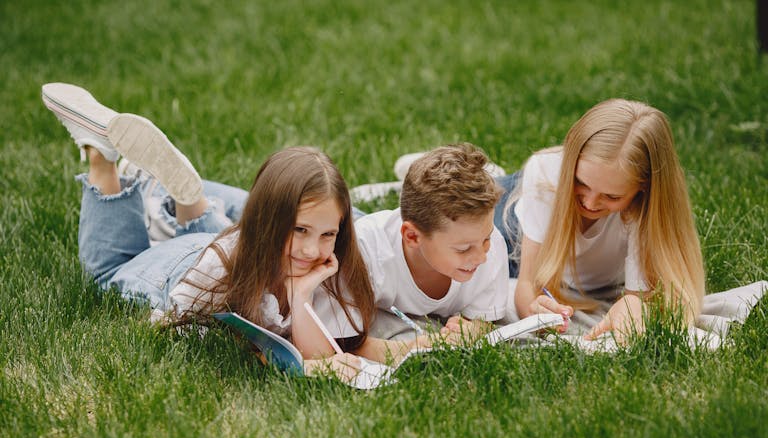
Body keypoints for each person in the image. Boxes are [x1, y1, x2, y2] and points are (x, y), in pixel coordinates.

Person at [42, 82, 422, 381]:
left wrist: (301, 294)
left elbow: (316, 355)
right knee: (110, 271)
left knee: (238, 250)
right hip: (179, 270)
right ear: (270, 220)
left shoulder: (335, 266)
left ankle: (195, 207)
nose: (312, 249)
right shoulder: (218, 271)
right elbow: (176, 325)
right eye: (300, 229)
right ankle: (101, 155)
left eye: (327, 234)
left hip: (229, 248)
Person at [496, 98, 705, 340]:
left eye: (611, 196)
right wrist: (534, 311)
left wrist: (632, 307)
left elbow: (637, 302)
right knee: (461, 217)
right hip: (517, 222)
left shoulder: (645, 212)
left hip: (554, 228)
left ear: (643, 189)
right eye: (581, 183)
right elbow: (527, 285)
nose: (590, 203)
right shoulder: (546, 175)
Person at [353, 143, 510, 340]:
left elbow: (484, 321)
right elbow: (343, 339)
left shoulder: (493, 247)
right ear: (412, 237)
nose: (481, 257)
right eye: (463, 249)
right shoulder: (366, 251)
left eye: (485, 239)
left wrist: (473, 329)